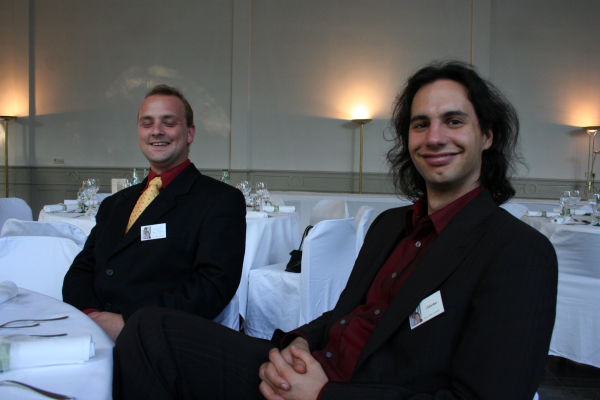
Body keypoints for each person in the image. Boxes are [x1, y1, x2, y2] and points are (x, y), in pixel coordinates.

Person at [113, 62, 557, 400]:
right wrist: (296, 347)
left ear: (487, 136)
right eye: (420, 124)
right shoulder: (390, 226)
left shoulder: (518, 252)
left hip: (349, 392)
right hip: (315, 371)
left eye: (454, 121)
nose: (434, 137)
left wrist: (323, 395)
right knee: (150, 330)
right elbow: (344, 316)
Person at [62, 84, 246, 341]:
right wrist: (92, 316)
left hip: (160, 341)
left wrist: (130, 322)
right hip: (92, 335)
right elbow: (82, 268)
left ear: (190, 133)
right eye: (147, 123)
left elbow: (212, 286)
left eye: (168, 122)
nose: (156, 131)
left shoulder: (220, 200)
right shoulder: (114, 204)